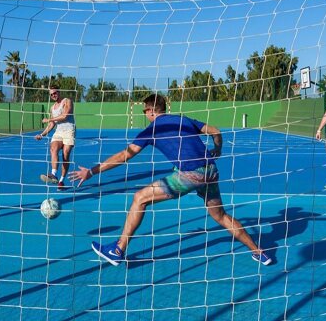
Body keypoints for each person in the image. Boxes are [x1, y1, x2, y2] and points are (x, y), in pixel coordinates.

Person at [69, 94, 272, 267]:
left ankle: (118, 249)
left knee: (140, 198)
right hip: (211, 171)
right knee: (221, 216)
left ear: (151, 111)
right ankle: (259, 251)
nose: (145, 116)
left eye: (144, 112)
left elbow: (125, 155)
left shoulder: (152, 129)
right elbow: (216, 131)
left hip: (192, 174)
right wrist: (217, 149)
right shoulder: (183, 120)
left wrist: (92, 172)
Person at [35, 85, 76, 190]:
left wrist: (48, 120)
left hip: (69, 130)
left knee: (65, 155)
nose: (54, 95)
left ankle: (61, 181)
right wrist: (42, 134)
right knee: (53, 149)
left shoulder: (67, 101)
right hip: (59, 132)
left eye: (55, 93)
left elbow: (65, 116)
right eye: (51, 94)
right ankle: (53, 174)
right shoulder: (52, 108)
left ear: (59, 92)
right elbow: (52, 124)